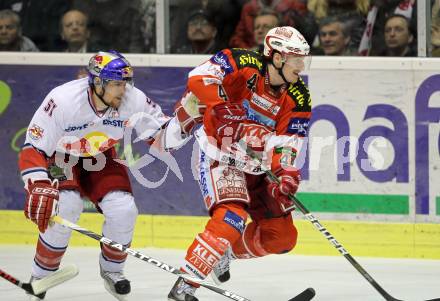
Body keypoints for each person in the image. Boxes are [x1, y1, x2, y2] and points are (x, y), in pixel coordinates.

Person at [19, 50, 189, 301]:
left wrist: (187, 120)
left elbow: (161, 138)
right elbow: (33, 146)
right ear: (97, 82)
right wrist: (39, 183)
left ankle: (112, 270)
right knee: (64, 207)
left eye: (125, 83)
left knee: (124, 209)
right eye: (117, 84)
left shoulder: (133, 99)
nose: (123, 90)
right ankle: (41, 275)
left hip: (101, 156)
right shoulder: (64, 100)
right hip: (61, 156)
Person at [168, 26, 312, 301]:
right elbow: (199, 77)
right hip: (221, 155)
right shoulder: (242, 61)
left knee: (281, 238)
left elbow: (287, 144)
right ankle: (185, 286)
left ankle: (223, 252)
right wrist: (220, 104)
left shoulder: (299, 96)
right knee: (231, 218)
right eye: (297, 59)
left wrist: (286, 173)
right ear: (278, 58)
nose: (301, 66)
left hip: (259, 168)